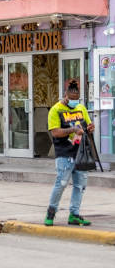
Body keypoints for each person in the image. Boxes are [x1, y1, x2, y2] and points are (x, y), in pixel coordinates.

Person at [44, 81, 95, 227]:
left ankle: (74, 214)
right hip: (64, 154)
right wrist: (72, 130)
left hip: (81, 153)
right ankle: (51, 213)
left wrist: (90, 128)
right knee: (61, 183)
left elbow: (87, 125)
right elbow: (55, 132)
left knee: (80, 186)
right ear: (65, 95)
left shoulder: (81, 108)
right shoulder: (55, 110)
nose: (74, 101)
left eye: (76, 98)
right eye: (71, 98)